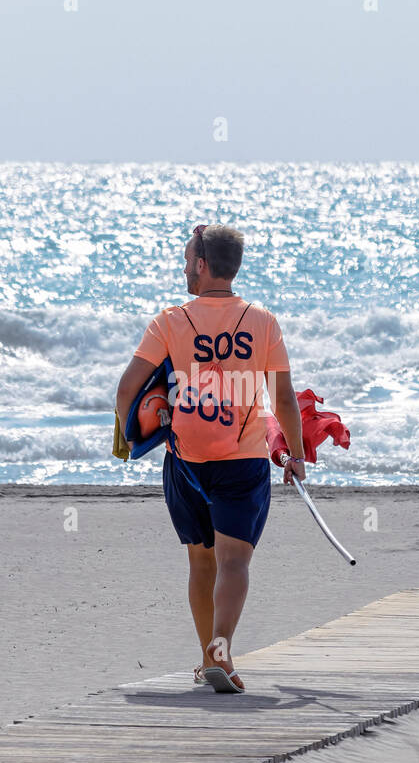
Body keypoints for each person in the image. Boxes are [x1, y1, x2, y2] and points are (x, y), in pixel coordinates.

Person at [116, 224, 305, 694]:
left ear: (202, 265)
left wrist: (133, 437)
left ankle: (208, 660)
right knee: (234, 560)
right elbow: (282, 399)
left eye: (186, 260)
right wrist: (296, 455)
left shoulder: (170, 321)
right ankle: (219, 650)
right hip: (241, 459)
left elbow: (127, 389)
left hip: (186, 459)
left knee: (201, 563)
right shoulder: (263, 321)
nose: (183, 268)